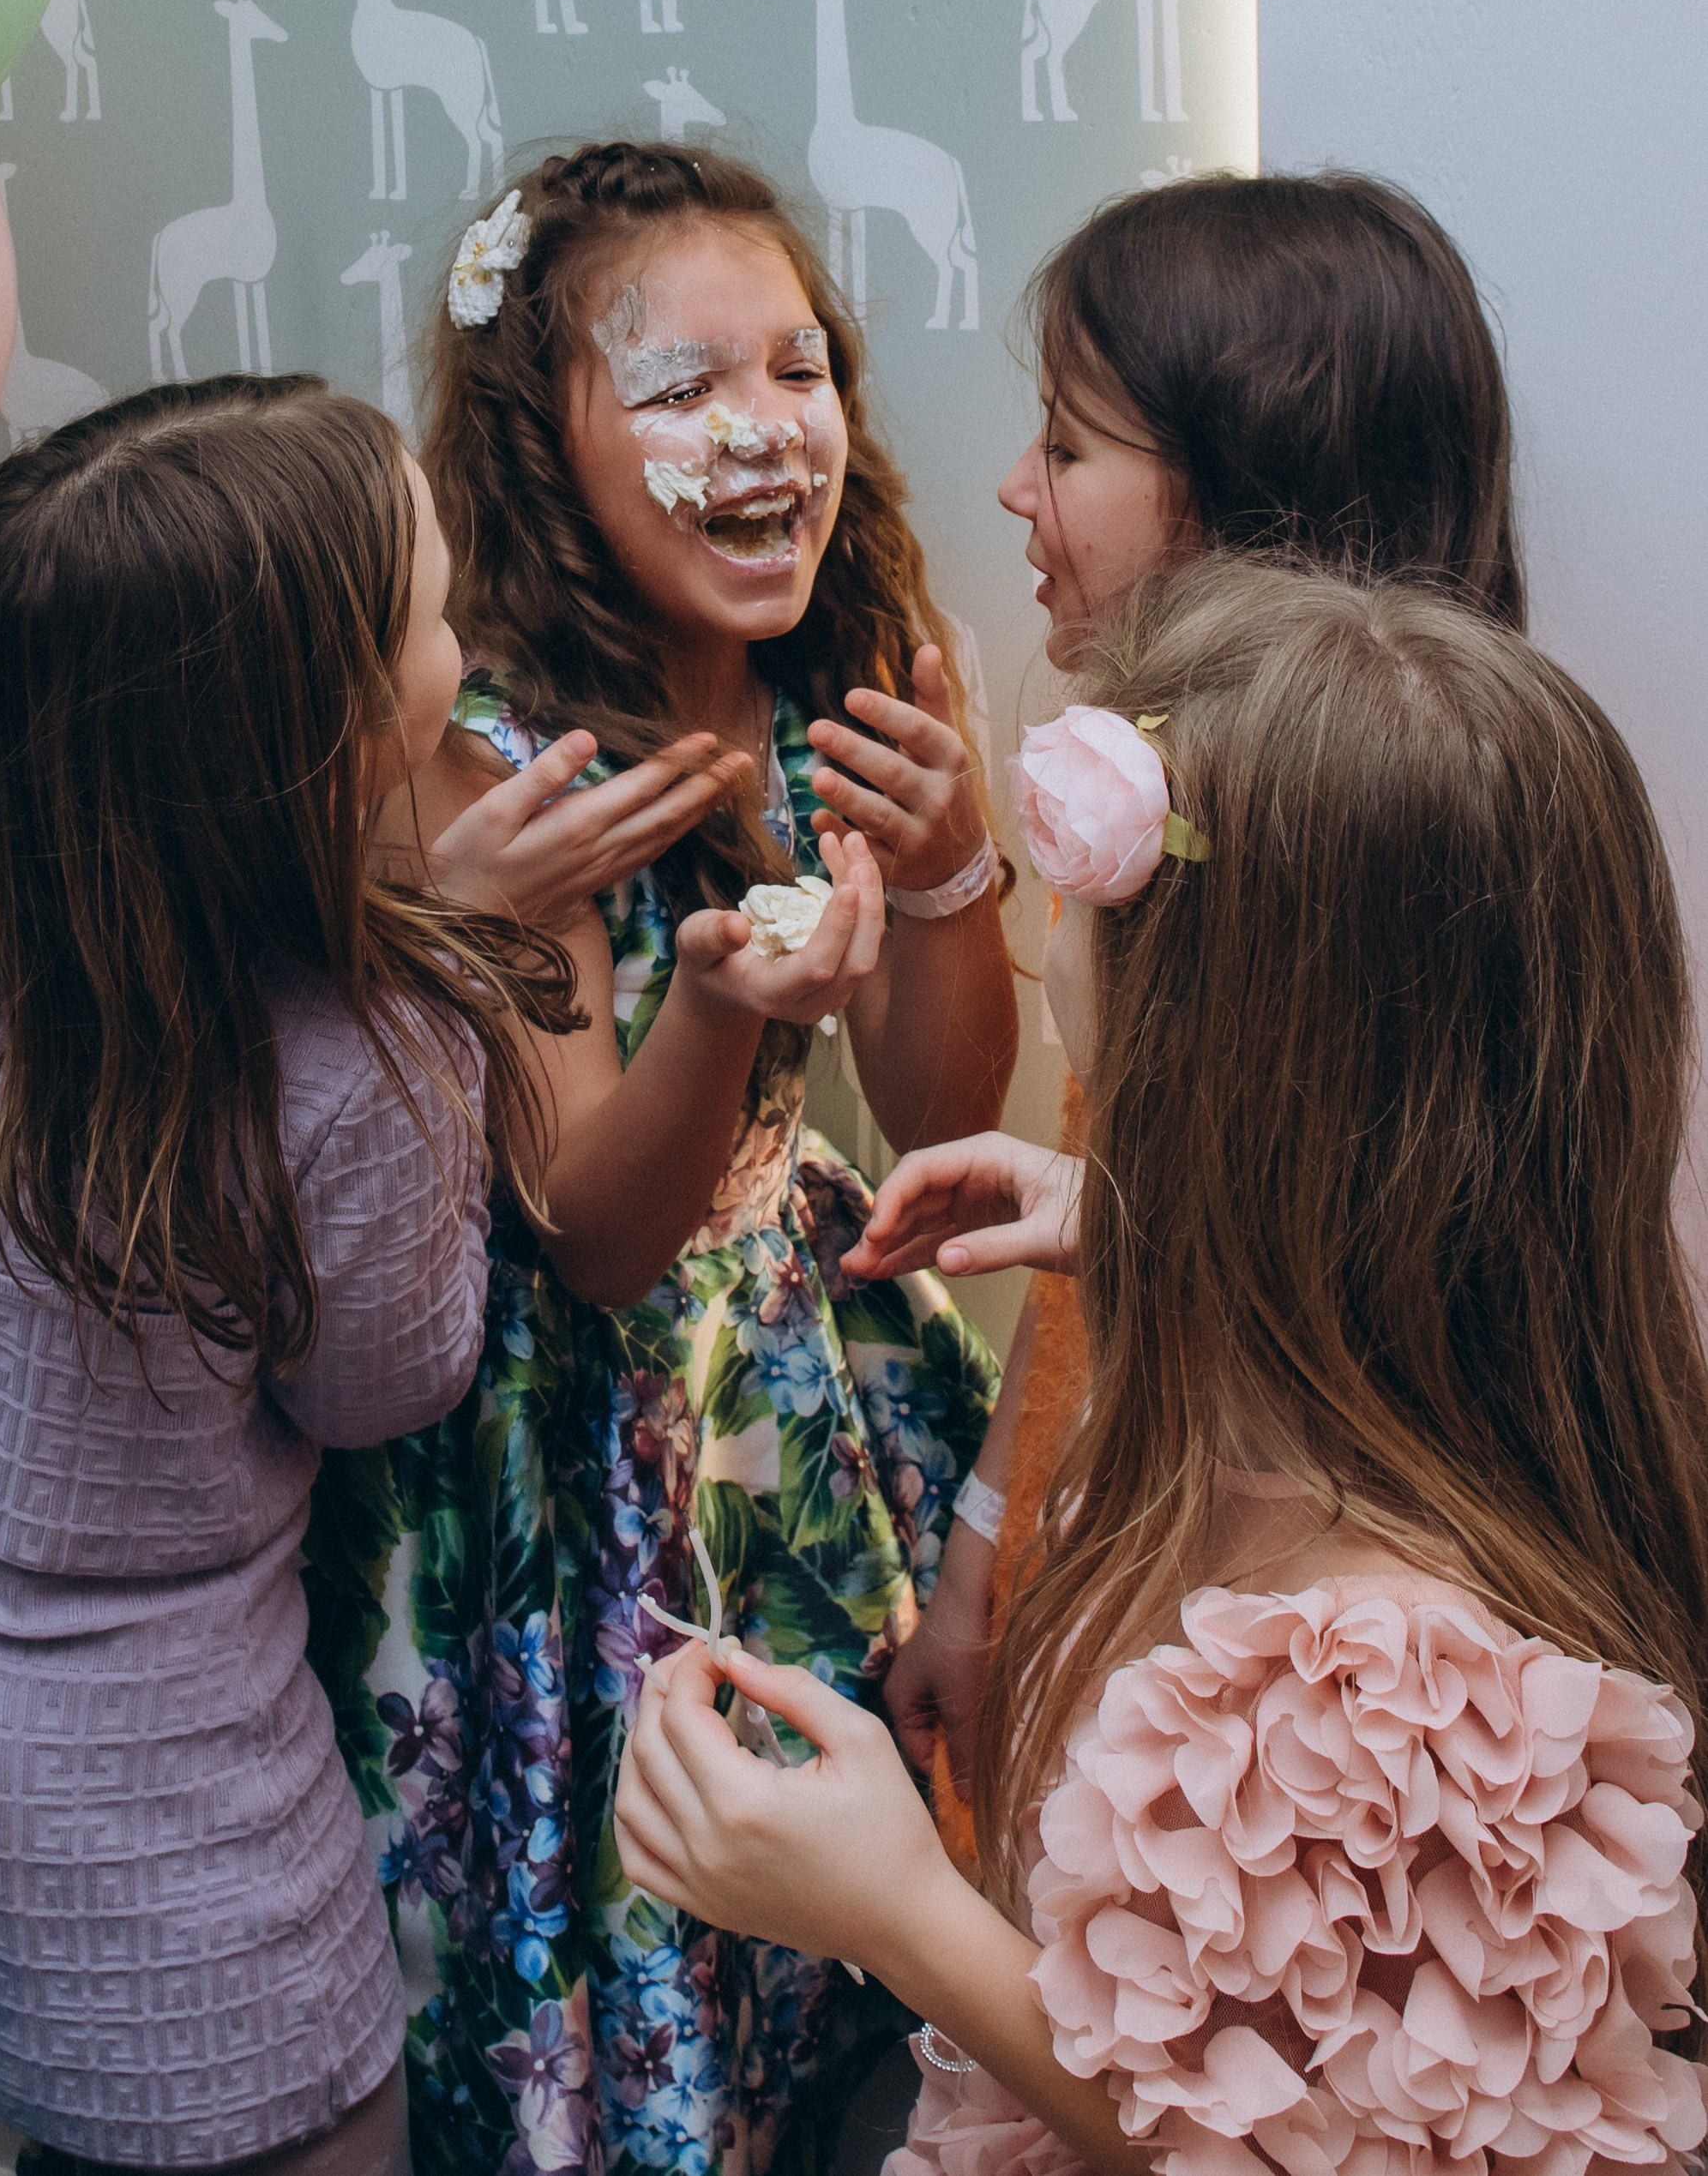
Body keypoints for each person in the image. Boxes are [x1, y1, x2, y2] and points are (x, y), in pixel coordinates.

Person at [616, 552, 1708, 2174]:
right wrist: (1134, 1224)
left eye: (1067, 902)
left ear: (1214, 1038)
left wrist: (898, 1911)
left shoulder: (1384, 1698)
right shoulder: (1437, 1402)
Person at [0, 374, 733, 2173]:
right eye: (434, 625)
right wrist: (445, 966)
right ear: (326, 739)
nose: (463, 651)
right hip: (173, 1849)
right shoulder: (346, 1067)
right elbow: (391, 1378)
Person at [304, 146, 1016, 2174]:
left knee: (807, 1962)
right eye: (684, 386)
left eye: (800, 367)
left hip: (788, 1407)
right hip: (564, 1435)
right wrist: (722, 1006)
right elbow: (594, 1236)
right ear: (544, 448)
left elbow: (951, 1109)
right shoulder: (491, 743)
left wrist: (953, 864)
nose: (764, 428)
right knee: (615, 1954)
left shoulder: (862, 661)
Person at [895, 170, 1529, 1818]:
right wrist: (981, 1561)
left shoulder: (1355, 869)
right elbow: (1123, 1225)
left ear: (1244, 479)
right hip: (1100, 1538)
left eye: (1071, 445)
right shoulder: (1142, 811)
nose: (1014, 490)